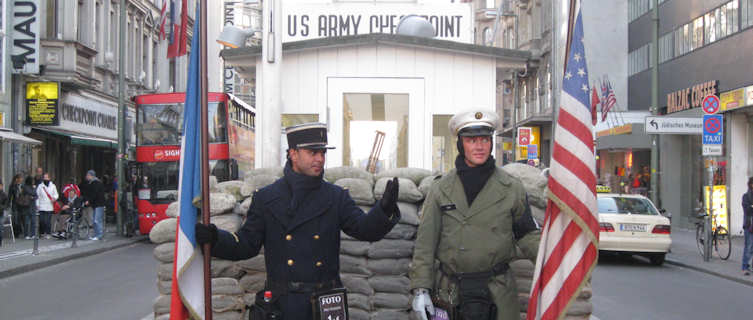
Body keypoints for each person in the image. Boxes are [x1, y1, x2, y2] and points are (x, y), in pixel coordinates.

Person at [195, 122, 402, 320]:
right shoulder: (266, 198)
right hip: (285, 304)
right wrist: (215, 238)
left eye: (323, 153)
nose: (320, 159)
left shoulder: (336, 197)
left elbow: (364, 230)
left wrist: (383, 210)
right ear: (293, 153)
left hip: (326, 303)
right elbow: (247, 245)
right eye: (313, 152)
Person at [409, 111, 541, 320]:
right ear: (461, 144)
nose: (479, 146)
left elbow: (527, 235)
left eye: (485, 139)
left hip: (496, 291)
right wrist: (420, 289)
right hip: (451, 291)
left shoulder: (511, 188)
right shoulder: (441, 189)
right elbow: (425, 244)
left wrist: (553, 262)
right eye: (472, 140)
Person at [81, 170, 106, 240]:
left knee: (97, 220)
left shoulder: (96, 183)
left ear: (91, 176)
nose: (86, 177)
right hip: (96, 204)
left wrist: (89, 201)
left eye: (87, 175)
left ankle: (99, 235)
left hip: (98, 204)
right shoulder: (93, 183)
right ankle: (96, 235)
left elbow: (94, 194)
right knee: (95, 220)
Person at [36, 173, 58, 239]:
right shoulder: (40, 186)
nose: (45, 179)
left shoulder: (53, 186)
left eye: (46, 177)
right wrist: (37, 204)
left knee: (48, 221)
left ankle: (48, 233)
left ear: (49, 178)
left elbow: (56, 194)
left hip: (49, 206)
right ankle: (42, 233)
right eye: (44, 177)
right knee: (42, 220)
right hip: (42, 206)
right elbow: (37, 196)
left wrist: (54, 198)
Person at [742, 177, 753, 276]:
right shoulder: (746, 196)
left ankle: (749, 266)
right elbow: (748, 210)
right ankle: (745, 266)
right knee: (748, 246)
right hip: (749, 226)